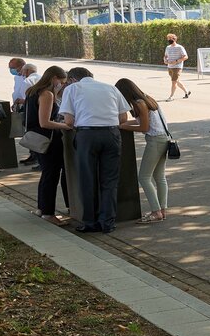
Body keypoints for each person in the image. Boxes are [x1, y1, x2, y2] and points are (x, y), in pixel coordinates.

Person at [59, 67, 131, 234]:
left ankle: (90, 221)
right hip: (112, 134)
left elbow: (68, 121)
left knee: (87, 178)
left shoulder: (72, 89)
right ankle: (108, 222)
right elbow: (123, 118)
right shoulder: (110, 88)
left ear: (71, 79)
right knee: (110, 180)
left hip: (87, 135)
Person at [117, 78, 171, 224]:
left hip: (155, 141)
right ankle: (162, 210)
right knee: (159, 177)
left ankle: (155, 212)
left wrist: (122, 127)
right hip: (163, 138)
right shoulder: (147, 99)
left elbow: (144, 128)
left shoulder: (139, 104)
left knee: (144, 177)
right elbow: (142, 121)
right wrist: (124, 123)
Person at [24, 66, 73, 226]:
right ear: (54, 78)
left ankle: (41, 208)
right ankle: (48, 213)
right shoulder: (47, 94)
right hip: (49, 140)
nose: (62, 85)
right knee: (51, 176)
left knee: (46, 174)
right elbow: (44, 122)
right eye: (62, 81)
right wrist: (66, 126)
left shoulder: (32, 91)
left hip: (37, 139)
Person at [163, 33, 191, 101]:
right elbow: (166, 56)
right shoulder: (168, 47)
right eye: (168, 39)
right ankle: (187, 91)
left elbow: (185, 57)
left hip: (177, 67)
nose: (169, 40)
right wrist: (165, 60)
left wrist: (176, 61)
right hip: (170, 67)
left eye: (170, 38)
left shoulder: (180, 47)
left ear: (174, 39)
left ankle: (171, 96)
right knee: (176, 81)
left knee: (174, 82)